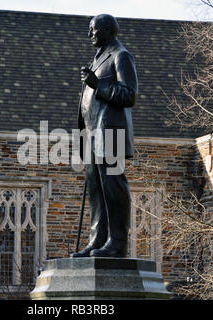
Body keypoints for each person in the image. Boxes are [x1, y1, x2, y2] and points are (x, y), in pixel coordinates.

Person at [72, 14, 138, 258]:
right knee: (96, 189)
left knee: (112, 186)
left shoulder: (121, 56)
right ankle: (97, 240)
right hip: (92, 134)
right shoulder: (98, 57)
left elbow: (129, 95)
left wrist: (97, 85)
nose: (90, 34)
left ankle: (117, 241)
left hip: (111, 133)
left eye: (94, 29)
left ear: (109, 30)